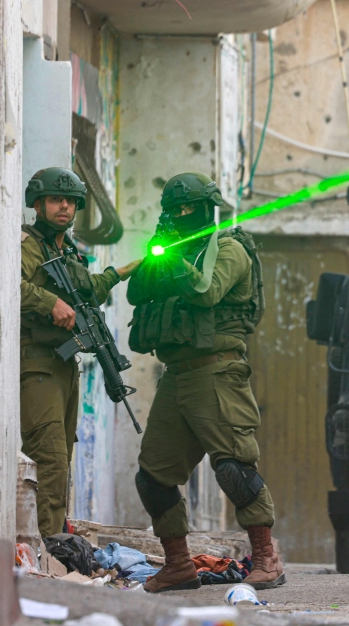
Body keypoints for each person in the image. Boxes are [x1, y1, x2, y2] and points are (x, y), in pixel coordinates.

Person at [127, 172, 284, 593]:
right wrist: (157, 249)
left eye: (189, 208)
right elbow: (137, 292)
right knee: (153, 476)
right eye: (174, 210)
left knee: (233, 467)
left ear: (208, 208)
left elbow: (207, 291)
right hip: (177, 375)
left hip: (218, 372)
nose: (182, 215)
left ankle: (266, 558)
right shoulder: (175, 250)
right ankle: (178, 563)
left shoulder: (230, 249)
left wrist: (173, 258)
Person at [20, 167, 141, 538]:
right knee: (51, 457)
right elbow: (7, 282)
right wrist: (49, 302)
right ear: (38, 203)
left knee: (63, 456)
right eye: (57, 200)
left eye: (71, 202)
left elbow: (88, 289)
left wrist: (126, 270)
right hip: (36, 364)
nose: (64, 208)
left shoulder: (66, 249)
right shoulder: (27, 244)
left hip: (62, 366)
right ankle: (46, 544)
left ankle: (54, 537)